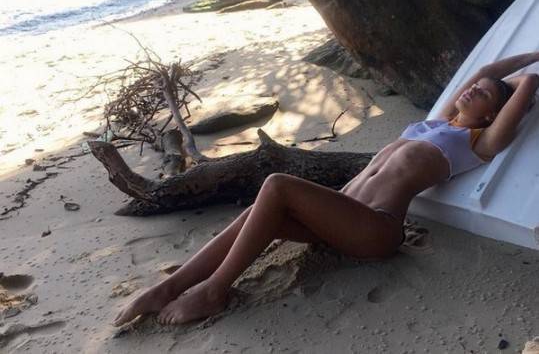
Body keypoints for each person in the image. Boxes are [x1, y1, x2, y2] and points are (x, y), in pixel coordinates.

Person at [113, 52, 539, 326]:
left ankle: (214, 290)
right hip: (339, 219)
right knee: (254, 214)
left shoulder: (477, 143)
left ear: (491, 116)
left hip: (374, 230)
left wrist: (527, 75)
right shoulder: (436, 123)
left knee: (277, 184)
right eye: (474, 87)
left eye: (483, 95)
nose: (472, 87)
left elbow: (528, 83)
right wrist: (518, 62)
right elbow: (486, 71)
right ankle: (169, 288)